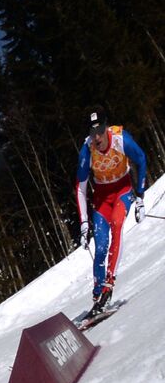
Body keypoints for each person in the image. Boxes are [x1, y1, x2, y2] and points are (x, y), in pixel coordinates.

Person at [75, 107, 148, 314]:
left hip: (123, 190)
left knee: (117, 225)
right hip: (101, 198)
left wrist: (140, 197)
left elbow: (141, 159)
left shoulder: (120, 138)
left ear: (106, 127)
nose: (96, 137)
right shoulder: (87, 150)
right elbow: (80, 188)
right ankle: (97, 295)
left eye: (99, 131)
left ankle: (108, 285)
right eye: (92, 132)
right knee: (99, 248)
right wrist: (83, 222)